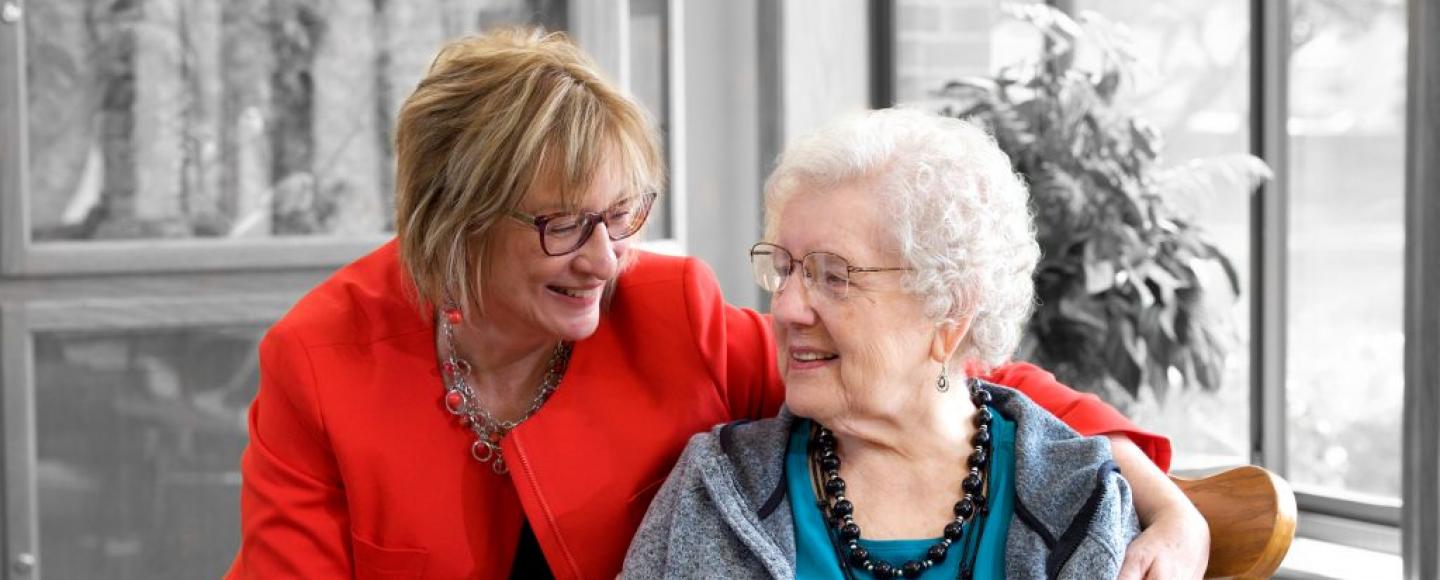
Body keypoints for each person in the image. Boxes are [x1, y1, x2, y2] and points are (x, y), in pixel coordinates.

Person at [227, 28, 1203, 580]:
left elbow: (923, 368)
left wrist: (1160, 498)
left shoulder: (667, 312)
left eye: (623, 214)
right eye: (564, 224)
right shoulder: (321, 357)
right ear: (456, 217)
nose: (605, 259)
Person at [623, 110, 1161, 579]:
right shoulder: (716, 489)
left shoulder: (1074, 501)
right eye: (783, 270)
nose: (785, 308)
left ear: (948, 309)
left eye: (833, 276)